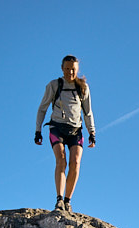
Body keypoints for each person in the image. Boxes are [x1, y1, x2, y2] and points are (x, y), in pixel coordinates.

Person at [35, 55, 96, 212]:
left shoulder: (83, 88)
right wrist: (38, 130)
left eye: (73, 69)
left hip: (76, 130)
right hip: (57, 128)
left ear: (77, 69)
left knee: (75, 163)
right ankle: (59, 200)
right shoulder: (54, 85)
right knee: (61, 161)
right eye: (67, 69)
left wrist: (92, 132)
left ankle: (68, 201)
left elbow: (88, 112)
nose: (70, 72)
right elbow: (42, 108)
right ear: (62, 68)